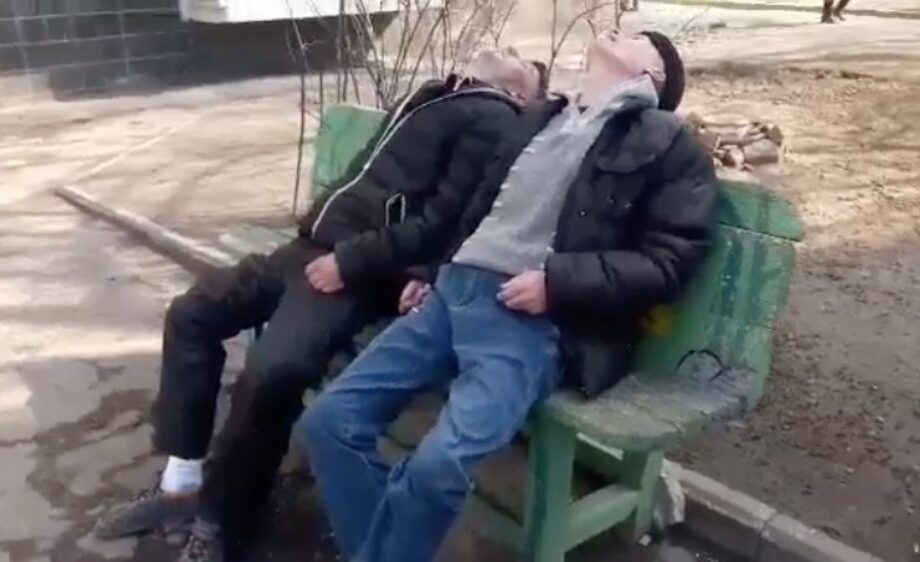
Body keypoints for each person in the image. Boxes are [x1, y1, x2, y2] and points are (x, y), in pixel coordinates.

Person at [92, 48, 547, 562]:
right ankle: (181, 484)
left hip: (354, 272)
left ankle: (224, 520)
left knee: (273, 370)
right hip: (308, 249)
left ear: (519, 90)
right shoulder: (440, 94)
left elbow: (443, 222)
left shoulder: (494, 118)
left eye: (520, 56)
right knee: (192, 313)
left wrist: (350, 263)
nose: (506, 49)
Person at [295, 29, 717, 562]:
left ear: (652, 76)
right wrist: (434, 269)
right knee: (329, 423)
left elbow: (669, 260)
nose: (619, 29)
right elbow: (479, 209)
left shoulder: (665, 142)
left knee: (437, 467)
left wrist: (557, 284)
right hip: (448, 298)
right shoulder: (541, 117)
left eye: (640, 39)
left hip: (526, 319)